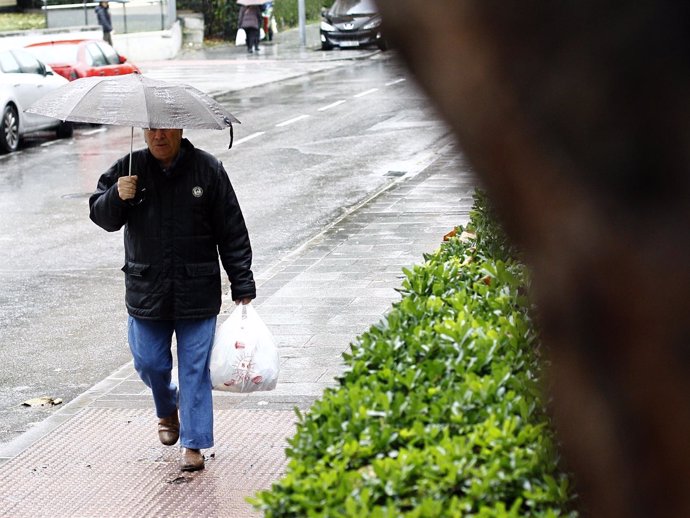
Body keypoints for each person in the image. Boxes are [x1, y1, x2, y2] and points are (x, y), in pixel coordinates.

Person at [89, 128, 256, 472]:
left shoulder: (208, 170)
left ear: (180, 129)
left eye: (165, 128)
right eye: (151, 128)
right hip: (146, 287)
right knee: (150, 362)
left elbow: (232, 230)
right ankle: (167, 407)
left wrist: (242, 283)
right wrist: (117, 197)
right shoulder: (129, 167)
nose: (157, 135)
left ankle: (194, 443)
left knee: (194, 369)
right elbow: (101, 216)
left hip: (197, 289)